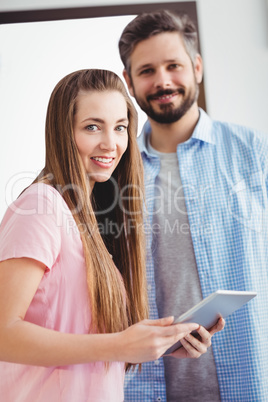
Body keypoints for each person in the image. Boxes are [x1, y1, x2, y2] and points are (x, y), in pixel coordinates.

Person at [0, 69, 214, 402]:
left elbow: (82, 337)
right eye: (92, 127)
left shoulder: (89, 222)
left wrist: (157, 345)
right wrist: (120, 344)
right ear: (63, 132)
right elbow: (3, 334)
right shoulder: (41, 205)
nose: (110, 144)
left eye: (120, 128)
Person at [118, 9, 268, 402]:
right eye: (147, 70)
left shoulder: (254, 153)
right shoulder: (113, 173)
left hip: (249, 378)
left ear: (197, 67)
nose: (163, 81)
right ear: (128, 82)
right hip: (145, 386)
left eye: (174, 65)